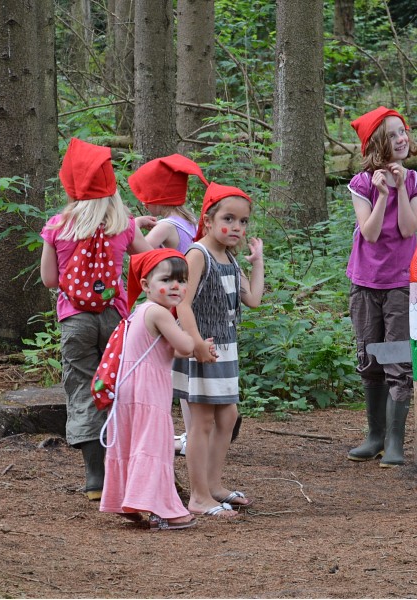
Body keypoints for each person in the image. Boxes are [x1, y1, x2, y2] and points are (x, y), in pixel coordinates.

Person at [40, 138, 152, 501]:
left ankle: (94, 478)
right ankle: (127, 468)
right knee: (116, 387)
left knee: (84, 387)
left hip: (75, 321)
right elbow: (151, 260)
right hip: (115, 319)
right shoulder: (124, 225)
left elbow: (50, 280)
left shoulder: (57, 226)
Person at [99, 249, 218, 530]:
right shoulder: (159, 313)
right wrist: (197, 343)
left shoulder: (141, 311)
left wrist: (190, 346)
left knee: (132, 443)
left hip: (130, 388)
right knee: (155, 446)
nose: (177, 286)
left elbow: (168, 351)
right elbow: (186, 346)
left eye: (183, 280)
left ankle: (127, 501)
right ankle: (163, 509)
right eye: (168, 279)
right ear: (145, 285)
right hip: (147, 391)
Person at [344, 106, 417, 467]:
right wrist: (382, 195)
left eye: (404, 131)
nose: (402, 138)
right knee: (371, 358)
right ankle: (374, 437)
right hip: (365, 284)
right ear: (377, 143)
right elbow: (370, 233)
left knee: (397, 359)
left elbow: (410, 229)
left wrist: (398, 188)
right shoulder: (361, 184)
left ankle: (395, 441)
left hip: (401, 285)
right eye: (394, 134)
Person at [172, 182, 264, 517]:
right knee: (202, 421)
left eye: (243, 222)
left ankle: (213, 485)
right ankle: (198, 496)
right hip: (203, 346)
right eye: (229, 219)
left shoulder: (229, 257)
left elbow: (252, 299)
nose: (237, 227)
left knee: (228, 416)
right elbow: (182, 302)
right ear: (208, 220)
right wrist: (195, 343)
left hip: (226, 348)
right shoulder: (198, 254)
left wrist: (257, 262)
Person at [128, 154, 209, 455]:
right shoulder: (189, 221)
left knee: (180, 373)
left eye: (146, 198)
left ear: (157, 198)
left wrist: (133, 227)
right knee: (188, 371)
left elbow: (142, 258)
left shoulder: (164, 226)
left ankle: (189, 435)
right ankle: (194, 431)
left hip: (175, 304)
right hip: (191, 297)